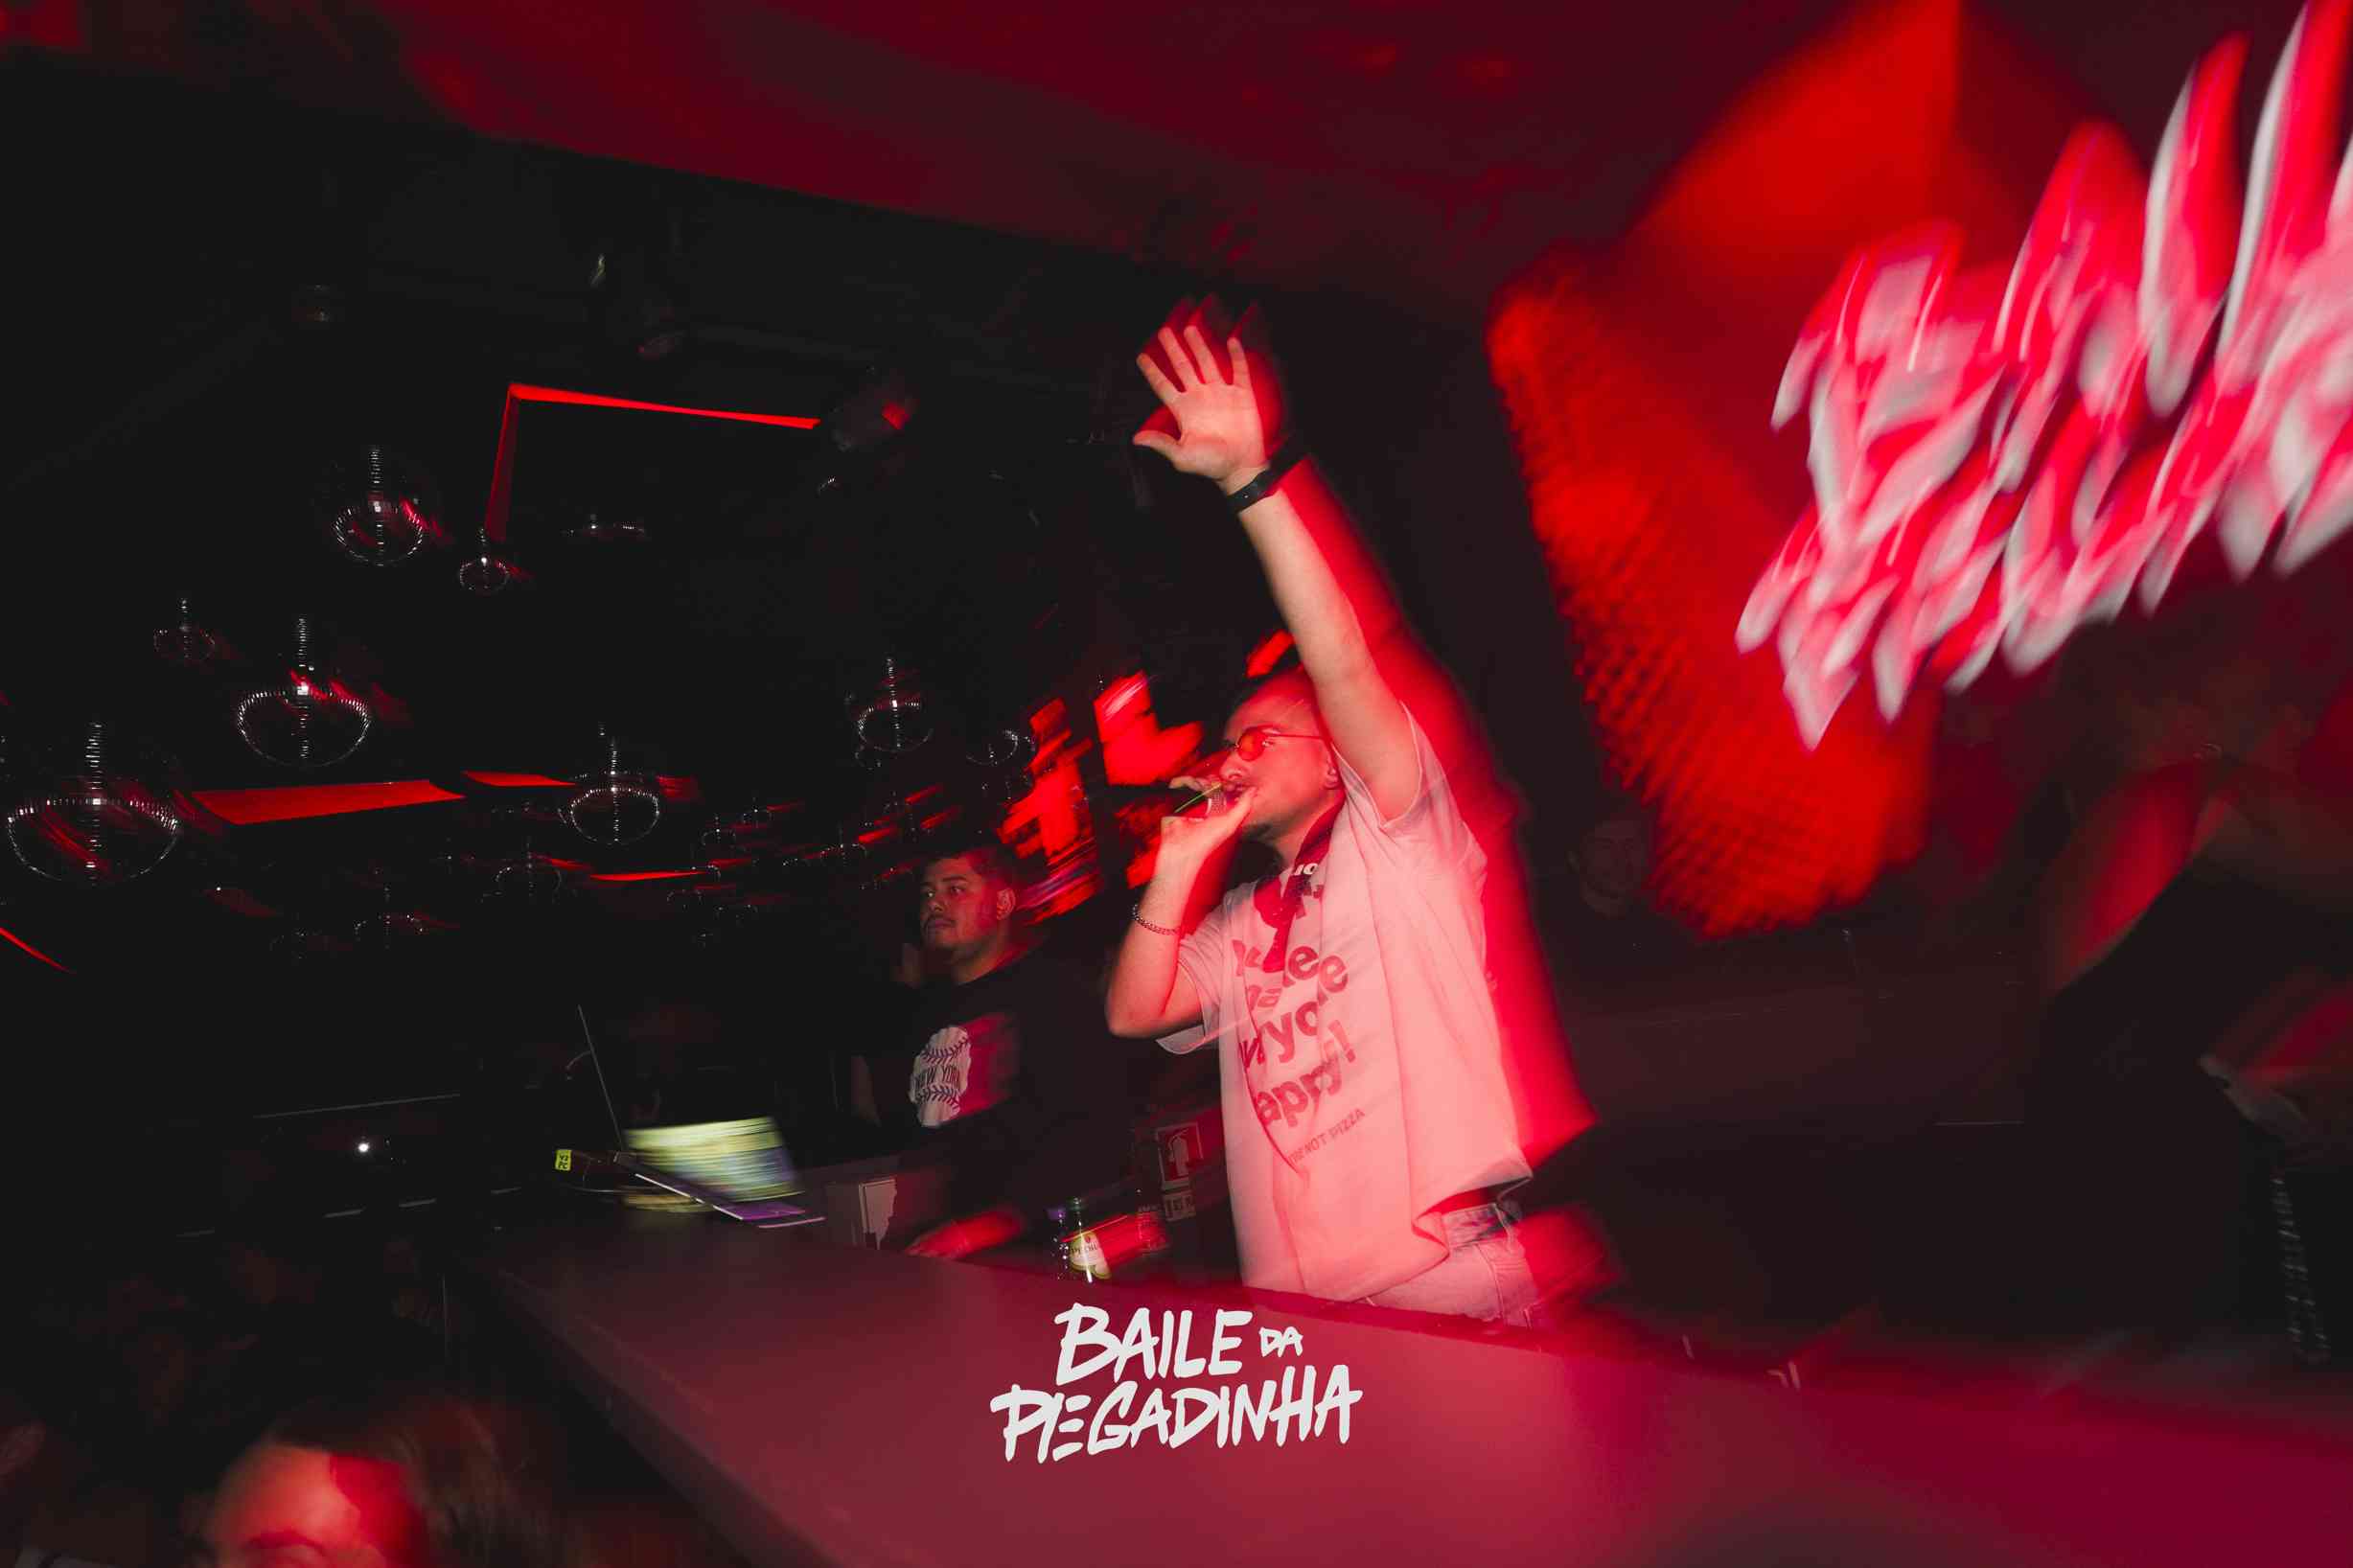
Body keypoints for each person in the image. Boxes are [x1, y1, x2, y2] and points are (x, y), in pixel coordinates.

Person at [1105, 310, 1544, 1323]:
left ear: (1334, 766)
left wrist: (1252, 485)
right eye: (1229, 743)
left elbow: (1342, 662)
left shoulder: (1398, 839)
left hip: (1442, 1280)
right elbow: (1132, 1011)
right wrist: (1177, 865)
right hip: (1309, 1310)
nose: (1232, 758)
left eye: (1261, 738)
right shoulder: (1241, 924)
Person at [858, 839, 1135, 1259]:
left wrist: (998, 1223)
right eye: (928, 893)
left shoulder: (1052, 991)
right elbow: (921, 1142)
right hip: (948, 1254)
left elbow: (1096, 1135)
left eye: (955, 889)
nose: (934, 904)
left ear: (1003, 903)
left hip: (1044, 1251)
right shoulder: (924, 1013)